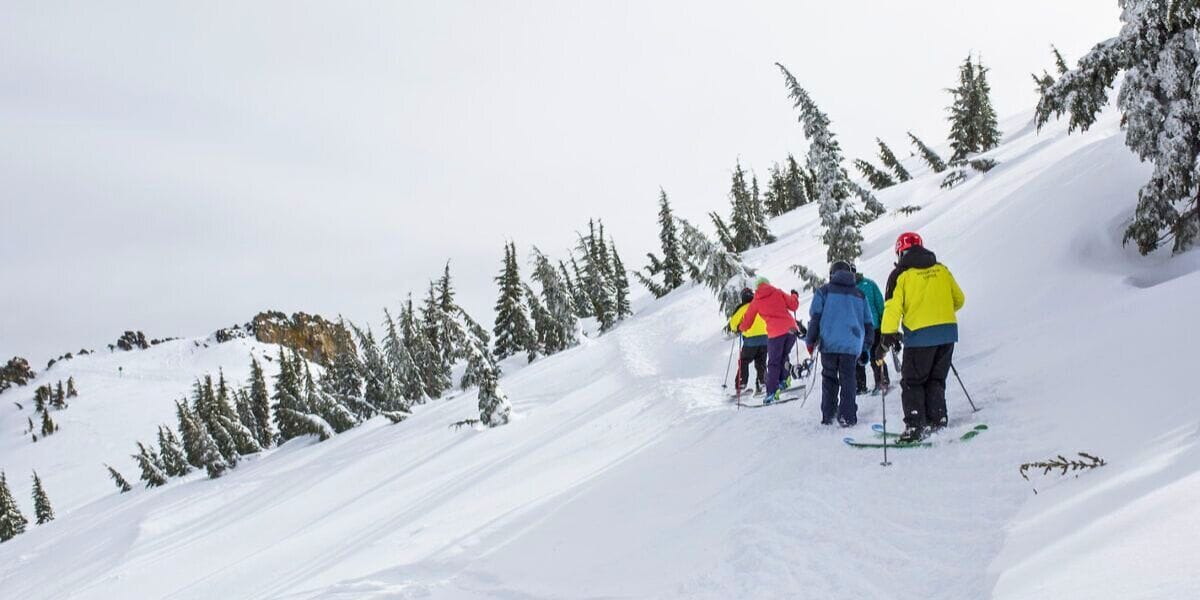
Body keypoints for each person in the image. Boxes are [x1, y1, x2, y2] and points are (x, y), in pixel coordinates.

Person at [880, 232, 965, 443]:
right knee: (936, 379)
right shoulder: (941, 269)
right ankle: (938, 419)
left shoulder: (900, 274)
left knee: (913, 381)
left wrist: (886, 336)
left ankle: (915, 426)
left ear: (900, 252)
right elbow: (959, 300)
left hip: (919, 335)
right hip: (947, 332)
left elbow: (892, 307)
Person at [804, 261, 874, 426]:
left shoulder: (824, 292)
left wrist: (810, 340)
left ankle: (828, 414)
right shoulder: (859, 295)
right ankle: (847, 416)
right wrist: (866, 347)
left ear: (831, 274)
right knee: (848, 379)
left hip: (829, 344)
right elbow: (868, 323)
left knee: (829, 378)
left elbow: (815, 318)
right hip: (851, 346)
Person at [739, 276, 800, 403]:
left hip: (775, 334)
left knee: (773, 362)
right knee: (784, 356)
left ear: (757, 288)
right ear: (768, 284)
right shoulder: (777, 291)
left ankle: (772, 392)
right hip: (791, 330)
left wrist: (741, 327)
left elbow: (748, 321)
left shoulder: (756, 300)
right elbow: (793, 305)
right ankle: (784, 380)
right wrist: (794, 295)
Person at [852, 265, 889, 395]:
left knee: (873, 356)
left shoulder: (866, 285)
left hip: (869, 328)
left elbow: (880, 305)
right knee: (864, 358)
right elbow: (880, 305)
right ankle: (865, 385)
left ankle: (879, 381)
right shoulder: (867, 284)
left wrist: (884, 323)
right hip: (866, 328)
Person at [728, 287, 768, 394]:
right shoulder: (760, 305)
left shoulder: (742, 308)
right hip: (765, 338)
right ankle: (763, 382)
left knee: (744, 361)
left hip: (751, 339)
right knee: (761, 362)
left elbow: (732, 324)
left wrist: (738, 328)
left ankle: (741, 383)